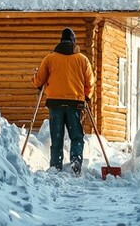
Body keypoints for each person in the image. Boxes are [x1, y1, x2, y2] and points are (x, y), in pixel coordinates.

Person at [32, 27, 94, 175]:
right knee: (76, 136)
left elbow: (38, 81)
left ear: (61, 41)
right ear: (74, 42)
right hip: (75, 103)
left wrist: (35, 79)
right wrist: (87, 97)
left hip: (55, 103)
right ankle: (76, 161)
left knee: (57, 136)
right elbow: (89, 82)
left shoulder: (50, 58)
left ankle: (55, 165)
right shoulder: (82, 59)